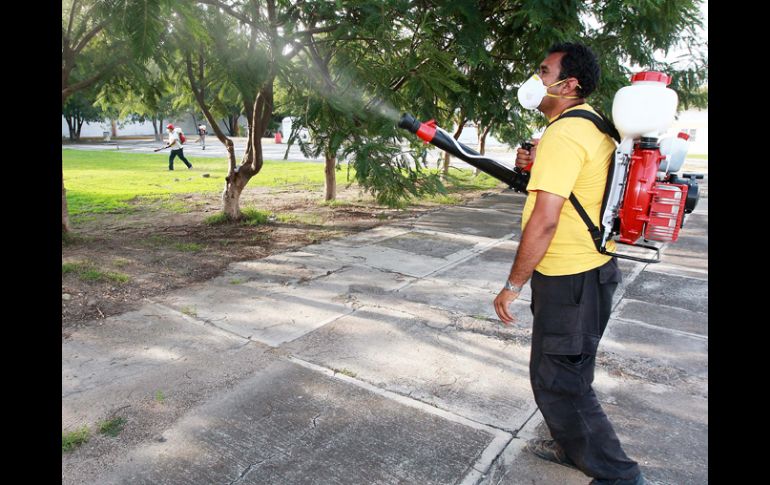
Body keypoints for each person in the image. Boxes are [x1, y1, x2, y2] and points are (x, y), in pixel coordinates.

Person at [492, 43, 645, 485]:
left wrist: (514, 284)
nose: (535, 78)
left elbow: (545, 219)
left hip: (569, 277)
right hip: (593, 271)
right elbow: (583, 188)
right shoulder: (594, 126)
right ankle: (569, 447)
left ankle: (619, 477)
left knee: (559, 381)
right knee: (573, 369)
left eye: (543, 71)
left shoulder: (564, 134)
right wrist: (533, 167)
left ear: (569, 84)